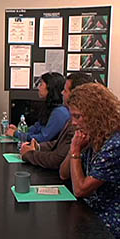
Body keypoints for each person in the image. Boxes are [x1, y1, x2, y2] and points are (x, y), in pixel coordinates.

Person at [59, 83, 120, 238]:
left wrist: (75, 151)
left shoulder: (115, 143)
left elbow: (80, 190)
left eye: (77, 116)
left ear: (96, 114)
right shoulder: (96, 134)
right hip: (91, 210)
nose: (73, 122)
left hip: (107, 222)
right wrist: (74, 148)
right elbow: (63, 174)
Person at [20, 73, 95, 169]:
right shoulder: (68, 116)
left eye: (65, 90)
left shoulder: (67, 116)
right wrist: (37, 147)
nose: (62, 93)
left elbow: (57, 159)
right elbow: (59, 143)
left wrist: (29, 154)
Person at [6, 72, 70, 143]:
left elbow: (43, 137)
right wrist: (20, 130)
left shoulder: (60, 112)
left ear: (50, 87)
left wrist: (17, 134)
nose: (39, 88)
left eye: (41, 84)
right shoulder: (49, 107)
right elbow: (37, 127)